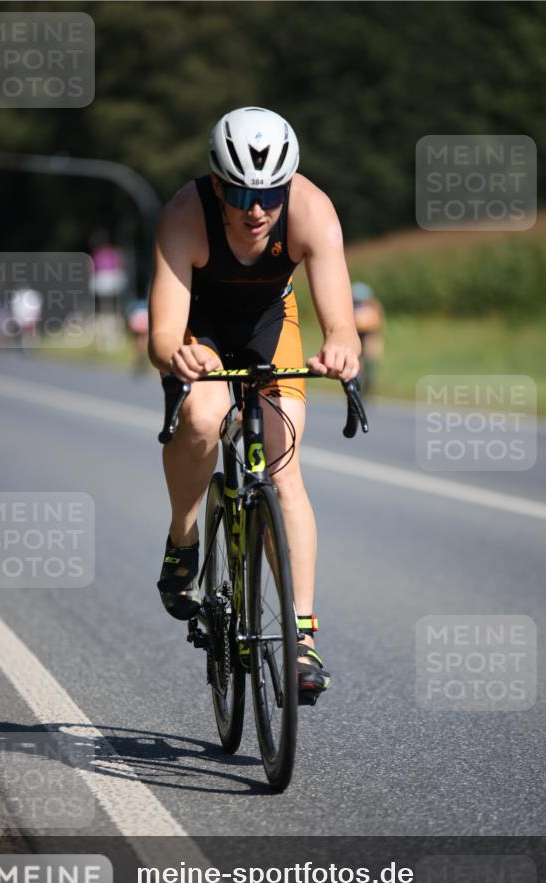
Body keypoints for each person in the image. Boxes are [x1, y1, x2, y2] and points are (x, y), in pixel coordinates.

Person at [148, 106, 360, 704]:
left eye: (268, 192)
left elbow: (342, 326)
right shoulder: (184, 216)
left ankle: (301, 636)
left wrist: (342, 350)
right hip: (203, 327)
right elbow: (163, 336)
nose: (256, 209)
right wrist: (178, 357)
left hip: (272, 323)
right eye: (239, 192)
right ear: (216, 184)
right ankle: (183, 537)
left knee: (285, 472)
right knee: (201, 417)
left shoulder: (312, 210)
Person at [352, 282, 385, 396]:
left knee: (370, 365)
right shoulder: (350, 307)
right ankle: (356, 388)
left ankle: (368, 389)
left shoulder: (373, 307)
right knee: (357, 364)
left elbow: (377, 325)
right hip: (356, 335)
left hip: (369, 336)